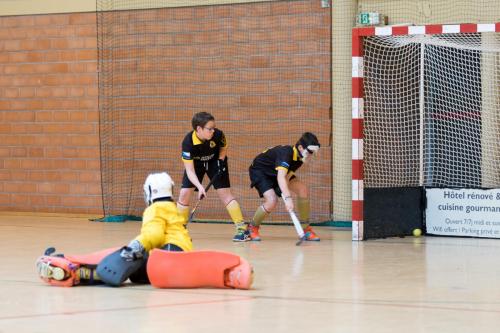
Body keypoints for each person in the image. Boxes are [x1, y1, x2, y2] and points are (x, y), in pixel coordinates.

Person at [36, 171, 253, 289]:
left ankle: (76, 268)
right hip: (175, 260)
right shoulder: (173, 209)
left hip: (167, 255)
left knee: (121, 255)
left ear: (149, 192)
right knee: (134, 269)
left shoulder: (154, 209)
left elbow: (154, 235)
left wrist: (135, 246)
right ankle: (231, 275)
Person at [177, 112, 249, 242]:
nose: (213, 130)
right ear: (199, 129)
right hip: (196, 165)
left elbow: (223, 147)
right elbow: (189, 170)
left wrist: (221, 161)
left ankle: (242, 229)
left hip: (214, 162)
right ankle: (178, 231)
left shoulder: (218, 135)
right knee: (184, 193)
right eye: (210, 129)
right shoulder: (188, 143)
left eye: (214, 127)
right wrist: (199, 187)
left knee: (224, 193)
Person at [247, 132, 321, 241]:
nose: (311, 155)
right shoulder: (286, 153)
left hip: (277, 173)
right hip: (260, 171)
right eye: (310, 152)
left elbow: (286, 177)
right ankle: (252, 228)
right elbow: (281, 177)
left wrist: (284, 192)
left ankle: (306, 229)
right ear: (300, 147)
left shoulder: (299, 159)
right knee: (272, 200)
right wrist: (288, 198)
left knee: (302, 189)